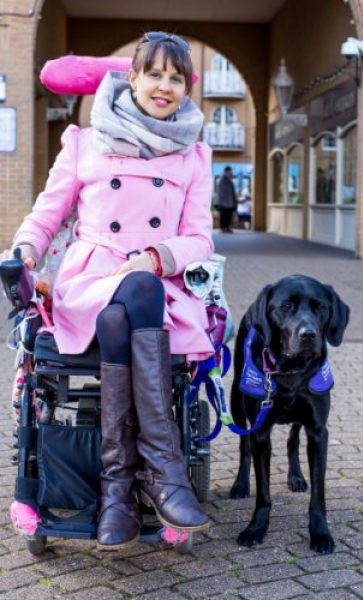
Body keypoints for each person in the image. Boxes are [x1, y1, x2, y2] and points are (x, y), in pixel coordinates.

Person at [0, 32, 214, 548]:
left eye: (176, 78)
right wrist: (24, 250)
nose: (165, 86)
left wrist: (156, 257)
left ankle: (119, 489)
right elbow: (48, 213)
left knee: (134, 297)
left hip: (155, 288)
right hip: (89, 283)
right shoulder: (83, 140)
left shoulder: (195, 155)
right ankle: (161, 474)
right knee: (126, 296)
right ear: (132, 79)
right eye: (155, 74)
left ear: (185, 89)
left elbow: (200, 236)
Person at [216, 166, 238, 233]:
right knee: (224, 216)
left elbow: (232, 192)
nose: (230, 173)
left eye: (231, 171)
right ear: (226, 172)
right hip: (224, 202)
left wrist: (235, 200)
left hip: (230, 202)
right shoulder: (222, 180)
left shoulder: (230, 180)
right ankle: (223, 228)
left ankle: (228, 227)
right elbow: (221, 192)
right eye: (229, 171)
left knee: (229, 216)